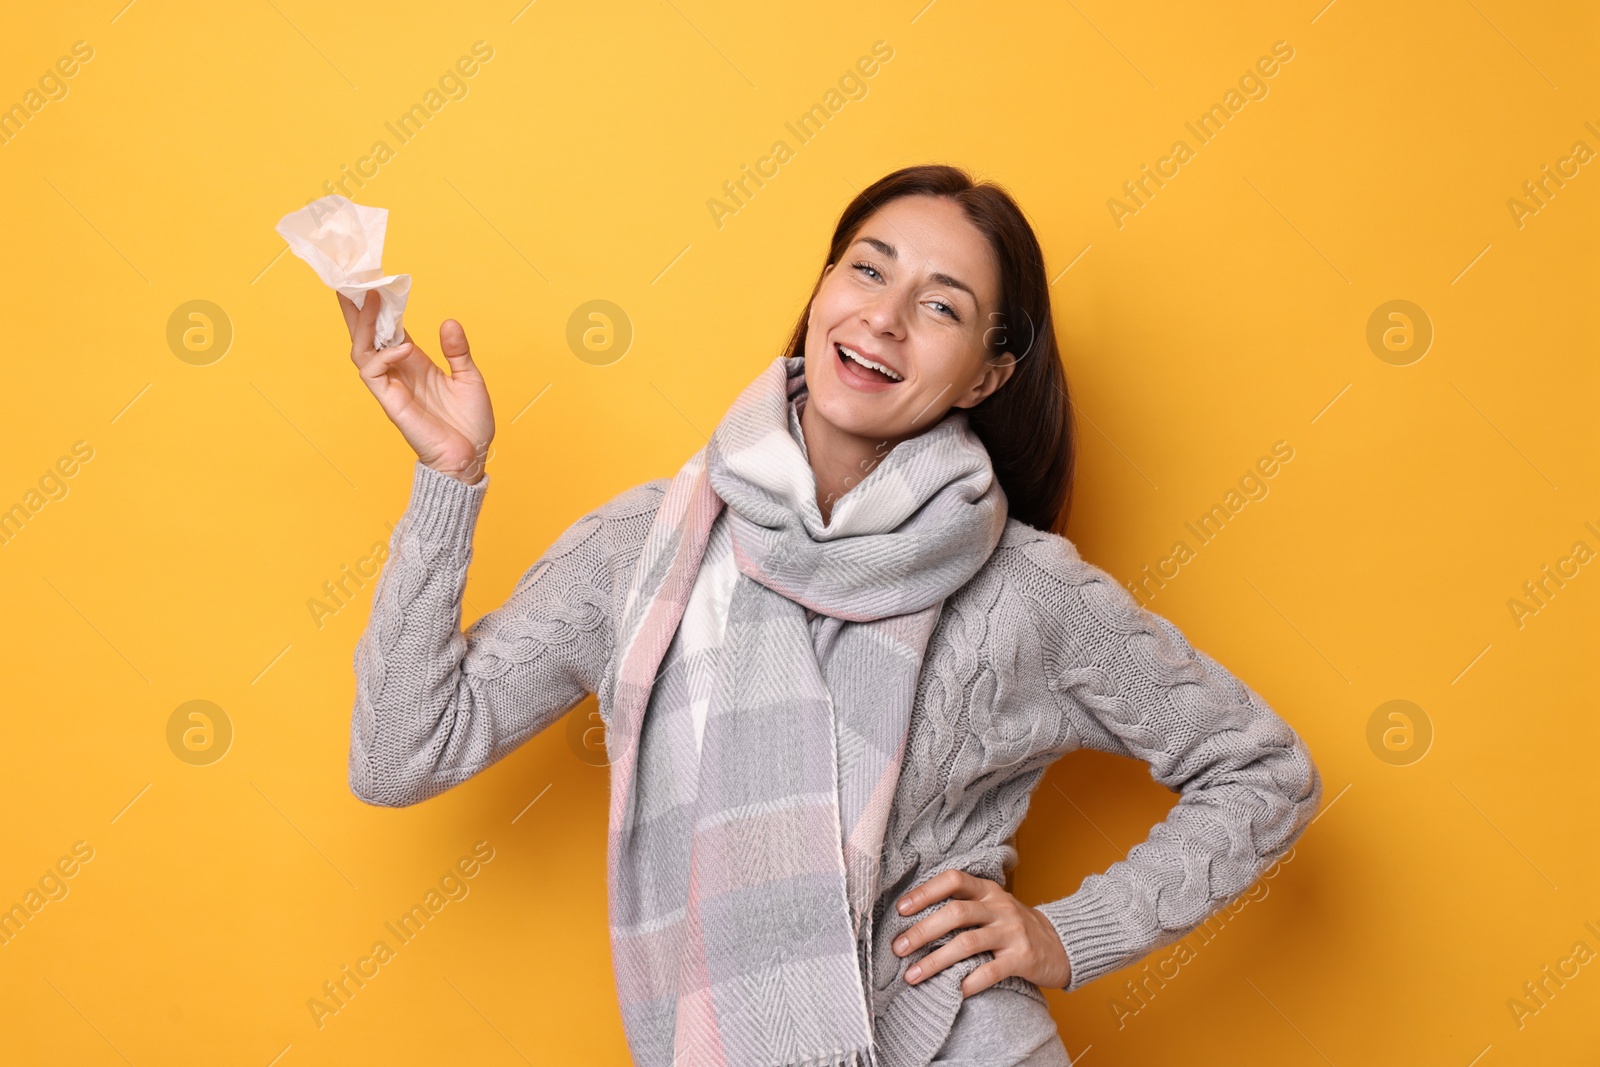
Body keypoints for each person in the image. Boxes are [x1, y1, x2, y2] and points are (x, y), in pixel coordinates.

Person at [338, 164, 1322, 1067]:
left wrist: (1070, 933)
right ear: (820, 291)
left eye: (941, 306)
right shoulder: (649, 545)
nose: (884, 318)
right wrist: (448, 479)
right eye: (867, 270)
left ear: (987, 372)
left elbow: (1261, 769)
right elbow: (401, 755)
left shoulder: (1026, 592)